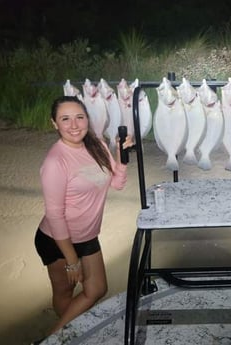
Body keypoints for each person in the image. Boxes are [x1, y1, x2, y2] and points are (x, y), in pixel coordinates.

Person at [34, 95, 133, 339]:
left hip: (88, 235)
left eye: (79, 117)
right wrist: (71, 260)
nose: (74, 125)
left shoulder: (96, 144)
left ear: (87, 118)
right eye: (65, 119)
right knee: (65, 292)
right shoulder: (56, 161)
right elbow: (55, 215)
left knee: (97, 289)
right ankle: (54, 338)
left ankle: (67, 332)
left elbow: (117, 183)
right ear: (54, 124)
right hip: (57, 241)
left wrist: (121, 157)